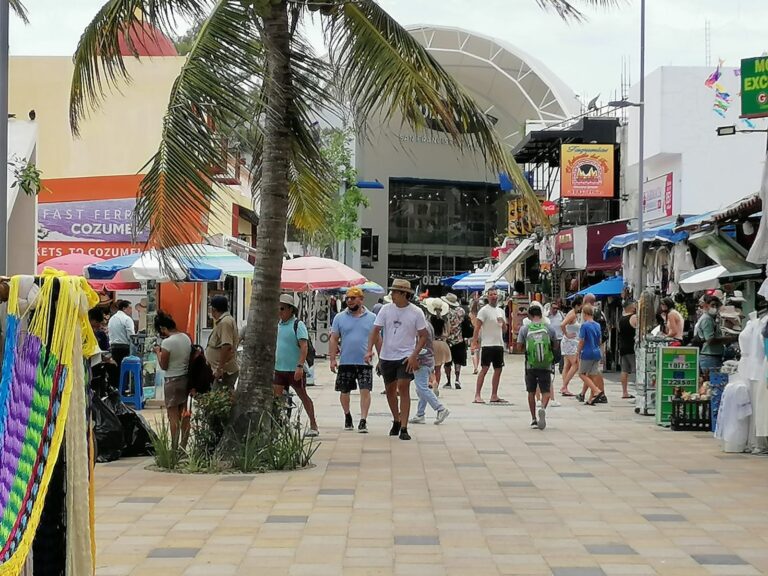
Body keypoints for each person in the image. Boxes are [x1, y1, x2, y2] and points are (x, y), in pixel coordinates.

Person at [365, 279, 428, 441]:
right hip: (387, 355)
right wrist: (369, 350)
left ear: (404, 294)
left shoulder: (416, 312)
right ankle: (396, 419)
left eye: (395, 292)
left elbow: (423, 336)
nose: (392, 295)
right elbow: (375, 330)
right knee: (390, 390)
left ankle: (405, 427)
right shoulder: (385, 310)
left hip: (405, 356)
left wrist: (414, 354)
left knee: (403, 386)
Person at [329, 287, 378, 433]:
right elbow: (333, 338)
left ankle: (363, 420)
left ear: (361, 299)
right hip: (346, 361)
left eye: (353, 298)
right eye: (348, 298)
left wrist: (381, 359)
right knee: (344, 391)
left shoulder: (372, 318)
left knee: (365, 390)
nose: (349, 301)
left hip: (365, 361)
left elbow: (378, 339)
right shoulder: (339, 317)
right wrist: (332, 359)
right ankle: (347, 415)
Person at [274, 294, 319, 436]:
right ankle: (279, 424)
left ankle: (313, 424)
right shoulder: (278, 325)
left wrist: (300, 366)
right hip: (279, 369)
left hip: (294, 369)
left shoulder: (297, 325)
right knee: (276, 398)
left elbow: (304, 346)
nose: (279, 311)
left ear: (290, 310)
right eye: (278, 308)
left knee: (303, 396)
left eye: (282, 308)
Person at [516, 305, 559, 430]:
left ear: (529, 316)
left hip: (530, 365)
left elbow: (519, 347)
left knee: (531, 392)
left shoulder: (525, 329)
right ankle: (543, 408)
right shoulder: (549, 328)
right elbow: (555, 345)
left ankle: (534, 419)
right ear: (541, 315)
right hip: (545, 364)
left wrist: (528, 350)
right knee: (546, 391)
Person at [153, 312, 192, 449]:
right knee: (184, 412)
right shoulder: (186, 338)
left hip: (172, 381)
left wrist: (158, 352)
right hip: (185, 379)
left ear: (163, 328)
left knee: (173, 415)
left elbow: (164, 365)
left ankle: (174, 447)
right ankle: (184, 445)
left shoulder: (167, 343)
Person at [409, 302, 451, 426]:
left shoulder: (421, 327)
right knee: (422, 388)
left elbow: (418, 344)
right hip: (429, 359)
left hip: (422, 360)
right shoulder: (428, 325)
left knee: (421, 387)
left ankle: (440, 409)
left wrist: (414, 356)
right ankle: (420, 414)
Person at [471, 288, 508, 404]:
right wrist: (474, 342)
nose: (493, 296)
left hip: (499, 344)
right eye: (491, 294)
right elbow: (477, 327)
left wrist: (503, 324)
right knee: (485, 368)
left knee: (498, 369)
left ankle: (494, 394)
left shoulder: (501, 311)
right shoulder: (484, 311)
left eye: (495, 294)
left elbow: (505, 330)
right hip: (487, 344)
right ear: (488, 297)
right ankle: (477, 394)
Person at [205, 295, 239, 391]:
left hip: (225, 372)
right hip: (221, 370)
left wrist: (220, 368)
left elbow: (227, 346)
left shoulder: (225, 322)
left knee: (219, 401)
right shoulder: (223, 321)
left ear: (214, 309)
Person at [577, 304, 606, 405]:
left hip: (587, 352)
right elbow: (600, 340)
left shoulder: (584, 326)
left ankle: (596, 390)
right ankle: (591, 398)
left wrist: (578, 352)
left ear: (584, 314)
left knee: (582, 374)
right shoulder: (597, 325)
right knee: (593, 375)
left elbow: (581, 341)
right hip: (596, 351)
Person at [559, 295, 583, 397]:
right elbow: (562, 324)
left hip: (570, 342)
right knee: (576, 364)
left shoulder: (574, 314)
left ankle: (565, 387)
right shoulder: (572, 314)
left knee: (567, 365)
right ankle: (564, 386)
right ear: (578, 305)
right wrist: (566, 334)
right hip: (569, 342)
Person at [441, 293, 466, 389]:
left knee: (447, 362)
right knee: (458, 361)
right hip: (459, 339)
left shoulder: (445, 312)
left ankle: (448, 381)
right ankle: (457, 379)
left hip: (447, 340)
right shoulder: (461, 311)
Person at [426, 298, 452, 390]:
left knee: (430, 366)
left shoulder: (429, 320)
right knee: (438, 367)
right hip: (442, 343)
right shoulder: (444, 320)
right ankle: (436, 383)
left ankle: (431, 381)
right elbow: (448, 333)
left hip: (432, 343)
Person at [617, 300, 638, 400]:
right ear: (630, 307)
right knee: (636, 370)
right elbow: (639, 330)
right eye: (634, 306)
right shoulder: (633, 317)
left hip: (623, 347)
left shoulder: (621, 319)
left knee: (624, 370)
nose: (635, 308)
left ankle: (624, 392)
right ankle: (639, 391)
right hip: (631, 347)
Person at [108, 300, 135, 369]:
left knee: (116, 370)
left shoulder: (112, 319)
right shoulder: (127, 319)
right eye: (130, 308)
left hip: (113, 348)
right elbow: (131, 336)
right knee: (124, 370)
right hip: (124, 348)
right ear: (124, 308)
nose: (131, 310)